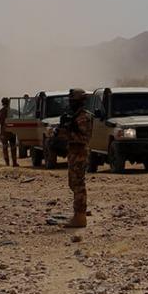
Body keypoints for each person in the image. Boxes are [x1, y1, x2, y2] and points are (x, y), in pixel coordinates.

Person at [57, 89, 95, 228]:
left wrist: (70, 131)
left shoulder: (83, 116)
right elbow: (66, 135)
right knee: (73, 183)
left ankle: (80, 217)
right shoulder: (75, 115)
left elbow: (84, 138)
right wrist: (62, 129)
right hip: (73, 151)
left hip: (79, 151)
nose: (70, 103)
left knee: (78, 184)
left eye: (73, 100)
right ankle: (78, 215)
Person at [0, 97, 18, 167]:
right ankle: (14, 162)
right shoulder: (13, 111)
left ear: (2, 103)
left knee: (5, 147)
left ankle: (7, 163)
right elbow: (19, 117)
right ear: (9, 102)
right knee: (13, 147)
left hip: (3, 132)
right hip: (12, 131)